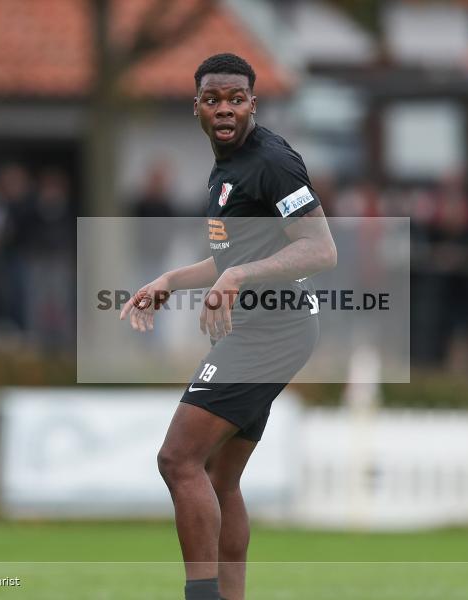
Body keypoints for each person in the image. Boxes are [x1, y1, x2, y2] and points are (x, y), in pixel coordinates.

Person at [120, 53, 336, 600]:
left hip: (274, 329)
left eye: (235, 100)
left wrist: (238, 275)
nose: (224, 109)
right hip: (268, 327)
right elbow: (233, 258)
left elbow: (320, 249)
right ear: (196, 107)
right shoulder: (227, 166)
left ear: (252, 106)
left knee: (177, 459)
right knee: (219, 477)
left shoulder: (273, 162)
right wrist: (171, 279)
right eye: (213, 99)